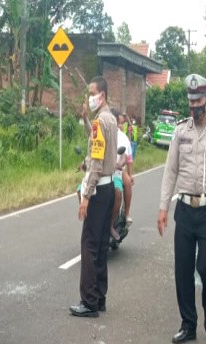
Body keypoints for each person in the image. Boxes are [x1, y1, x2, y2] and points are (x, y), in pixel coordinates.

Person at [157, 73, 206, 344]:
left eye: (198, 100)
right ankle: (189, 324)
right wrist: (163, 207)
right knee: (183, 270)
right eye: (191, 101)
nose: (194, 105)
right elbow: (170, 171)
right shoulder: (180, 132)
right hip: (185, 211)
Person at [69, 76, 118, 318]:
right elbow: (97, 149)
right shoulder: (109, 119)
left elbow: (96, 163)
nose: (89, 97)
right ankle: (99, 297)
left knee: (88, 244)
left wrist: (86, 195)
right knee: (100, 244)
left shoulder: (101, 122)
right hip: (109, 188)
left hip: (98, 190)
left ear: (103, 95)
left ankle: (88, 301)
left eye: (92, 93)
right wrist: (87, 120)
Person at [109, 109, 132, 240]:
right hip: (98, 173)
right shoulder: (98, 133)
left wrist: (120, 164)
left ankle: (113, 223)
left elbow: (125, 157)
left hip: (115, 172)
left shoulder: (122, 137)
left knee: (119, 190)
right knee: (81, 190)